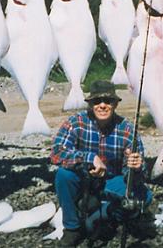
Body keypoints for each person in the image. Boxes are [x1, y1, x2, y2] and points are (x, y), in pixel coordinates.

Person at [50, 80, 153, 247]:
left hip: (112, 180)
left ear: (115, 104)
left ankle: (107, 212)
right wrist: (89, 158)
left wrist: (137, 167)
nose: (102, 105)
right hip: (84, 179)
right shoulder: (76, 122)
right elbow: (56, 152)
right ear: (90, 104)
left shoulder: (127, 129)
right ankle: (72, 228)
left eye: (108, 101)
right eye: (97, 101)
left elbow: (137, 175)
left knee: (145, 197)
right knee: (63, 175)